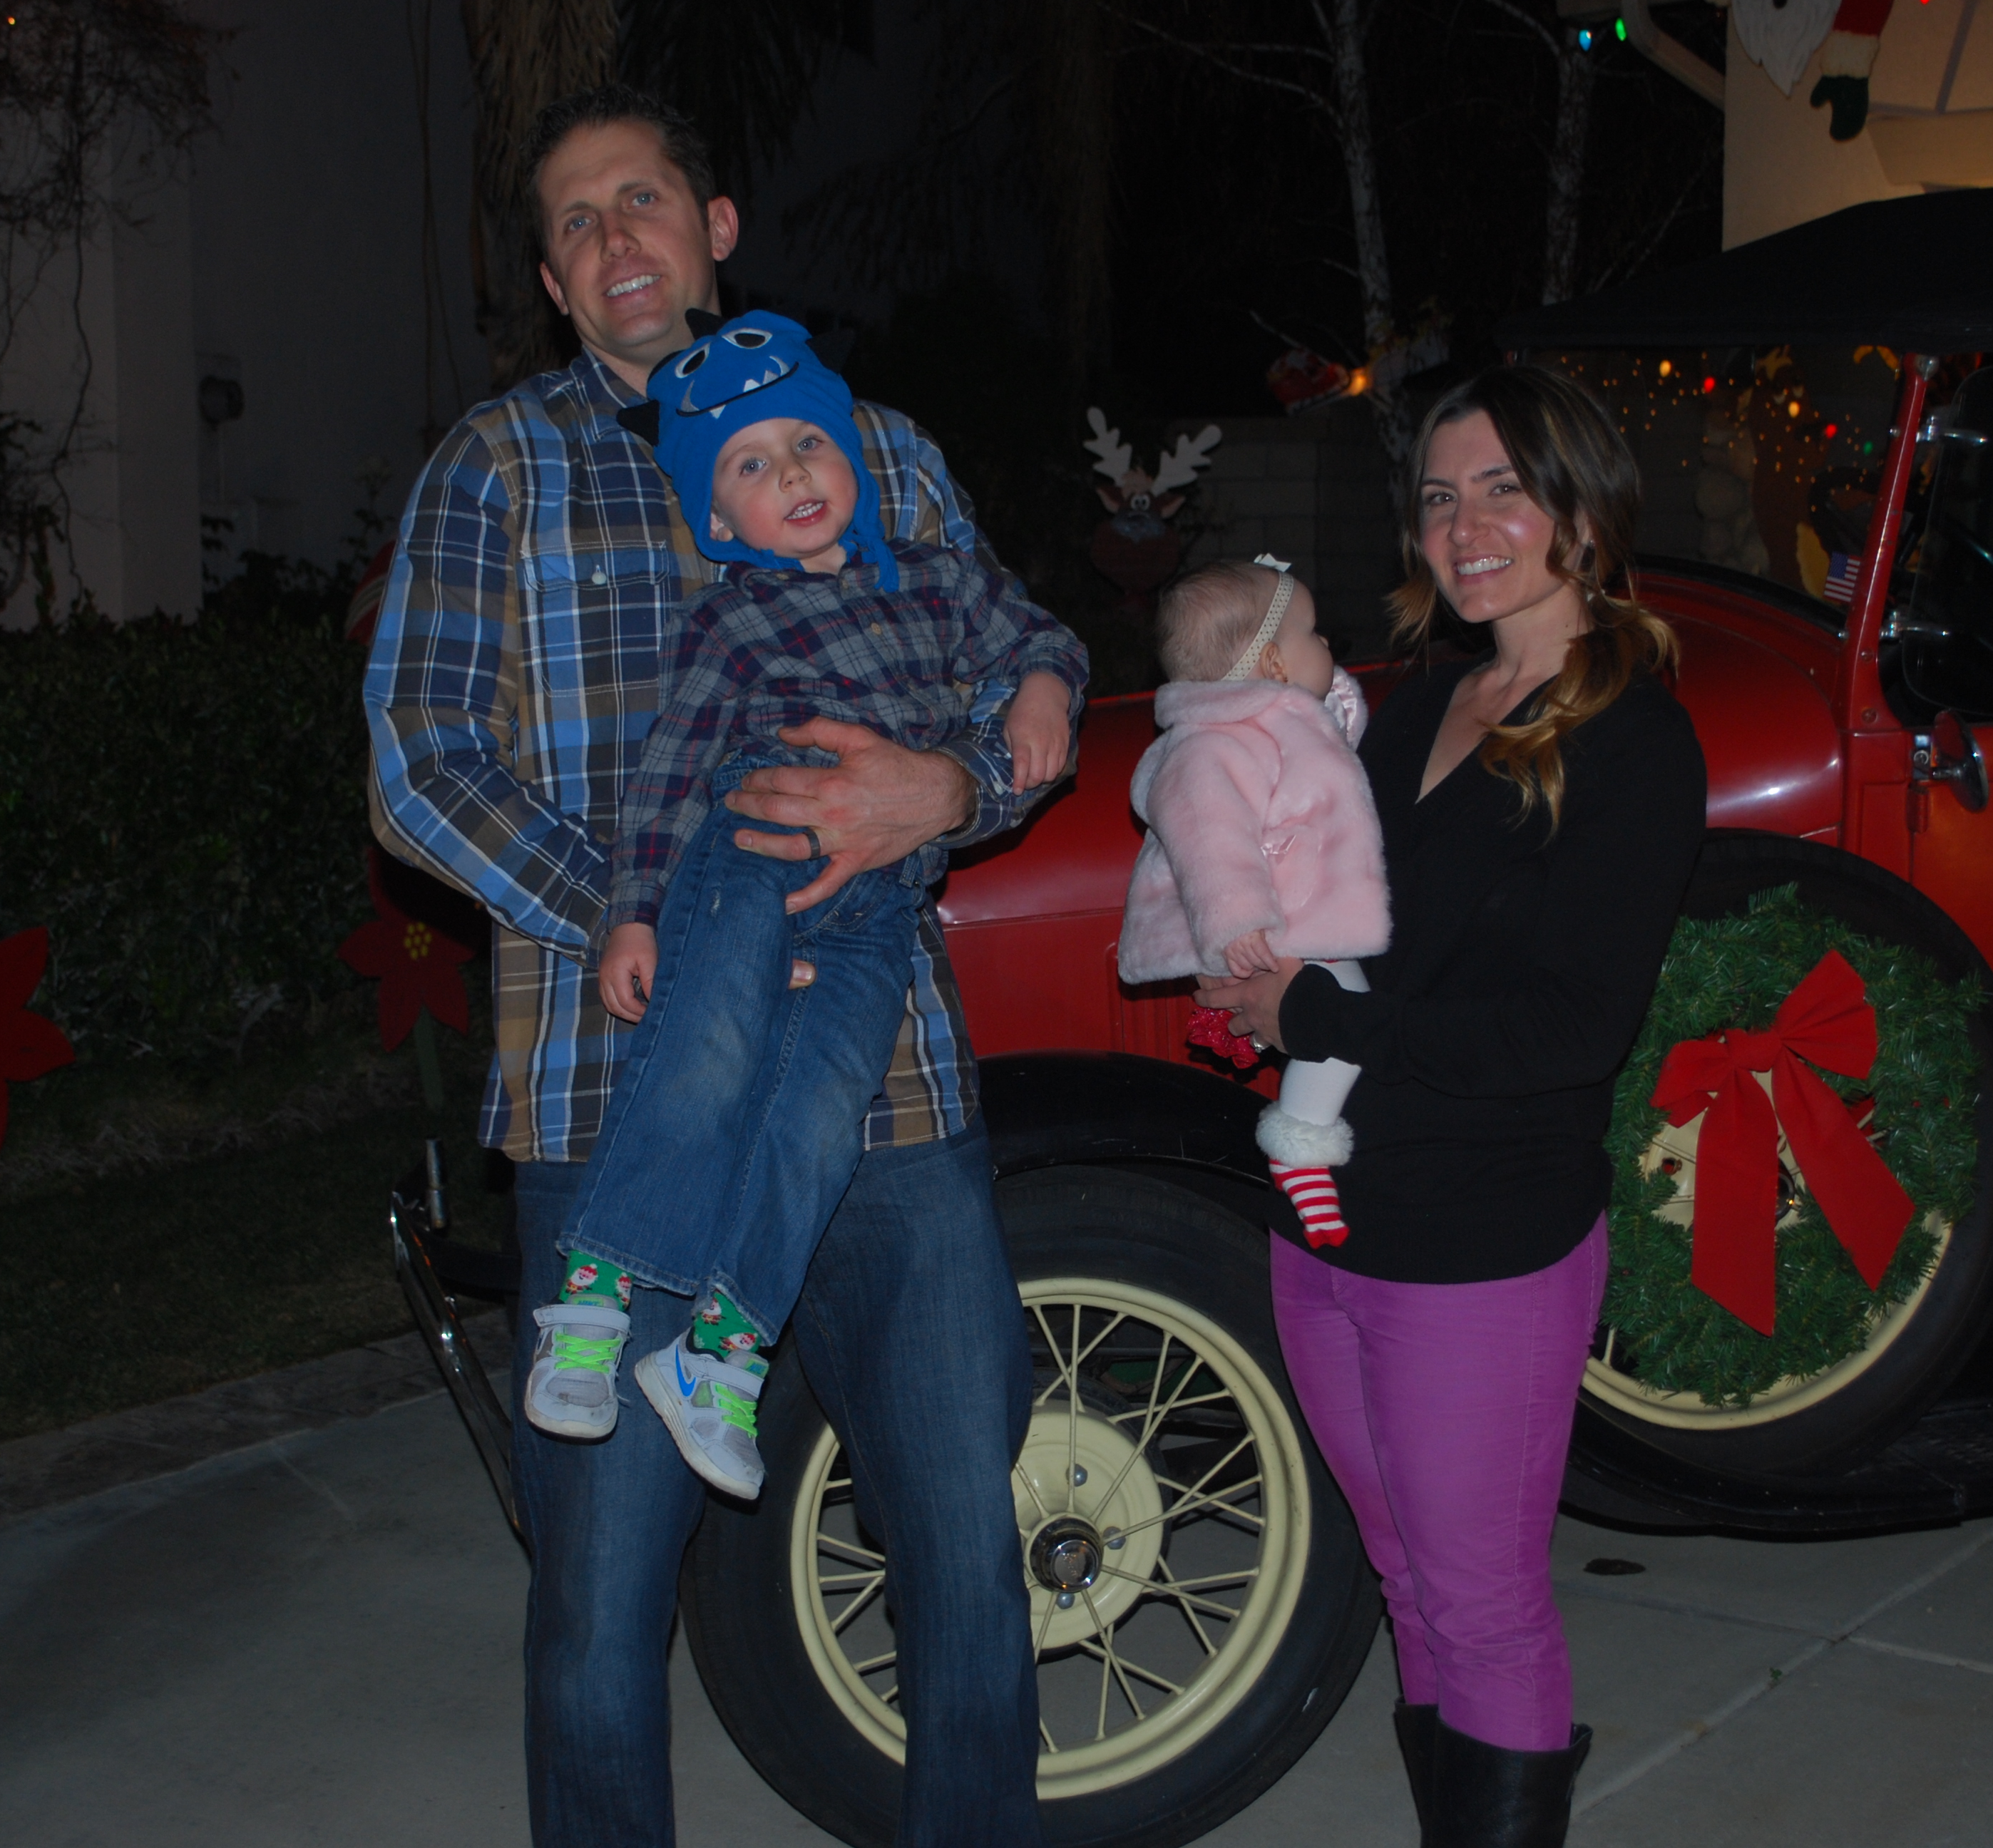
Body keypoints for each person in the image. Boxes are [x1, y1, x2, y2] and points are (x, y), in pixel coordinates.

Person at [363, 86, 1047, 1847]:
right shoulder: (498, 469)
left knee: (967, 1562)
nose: (616, 238)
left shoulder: (877, 450)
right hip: (617, 1094)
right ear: (551, 281)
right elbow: (421, 763)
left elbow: (1011, 680)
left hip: (887, 1092)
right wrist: (651, 913)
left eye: (642, 198)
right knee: (601, 1615)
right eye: (576, 221)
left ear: (715, 225)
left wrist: (951, 789)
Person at [1197, 366, 1706, 1847]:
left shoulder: (1633, 738)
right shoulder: (1411, 705)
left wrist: (1314, 1016)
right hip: (1327, 1223)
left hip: (1484, 1241)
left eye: (1501, 489)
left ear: (1581, 511)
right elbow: (1337, 920)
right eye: (1438, 496)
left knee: (1478, 1604)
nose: (1464, 525)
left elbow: (1568, 1031)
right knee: (1407, 1579)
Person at [525, 309, 1085, 1499]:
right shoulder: (731, 619)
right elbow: (669, 771)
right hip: (749, 857)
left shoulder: (940, 581)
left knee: (822, 1120)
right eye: (750, 464)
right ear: (719, 520)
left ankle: (717, 1357)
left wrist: (1042, 684)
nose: (791, 474)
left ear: (852, 461)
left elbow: (1039, 634)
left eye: (808, 444)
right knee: (706, 1055)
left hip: (880, 907)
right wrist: (634, 911)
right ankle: (592, 1299)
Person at [1115, 555, 1388, 1243]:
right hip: (1265, 921)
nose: (1327, 643)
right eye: (1314, 632)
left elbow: (1334, 741)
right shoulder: (1209, 747)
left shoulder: (1273, 721)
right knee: (1343, 1019)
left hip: (1300, 913)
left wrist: (1325, 692)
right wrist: (1237, 922)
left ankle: (1310, 1135)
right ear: (1272, 663)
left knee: (1342, 1017)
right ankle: (1301, 1146)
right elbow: (1209, 841)